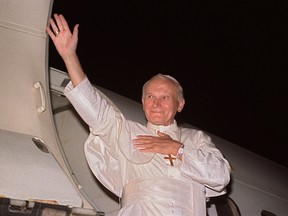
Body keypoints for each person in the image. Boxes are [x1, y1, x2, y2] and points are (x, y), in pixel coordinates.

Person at [47, 13, 231, 216]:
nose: (156, 104)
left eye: (164, 98)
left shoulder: (196, 139)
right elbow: (96, 110)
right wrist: (69, 56)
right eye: (150, 97)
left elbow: (221, 176)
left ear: (180, 104)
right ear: (143, 103)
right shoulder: (126, 132)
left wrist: (177, 149)